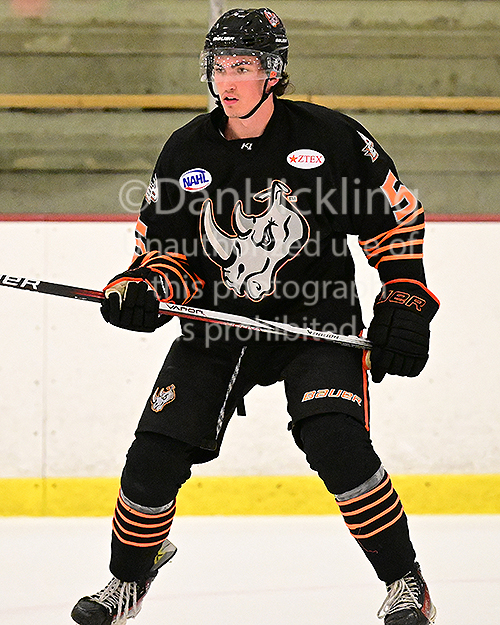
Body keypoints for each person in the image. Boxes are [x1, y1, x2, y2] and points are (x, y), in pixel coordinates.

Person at [71, 8, 439, 625]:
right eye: (218, 66)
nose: (227, 80)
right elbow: (166, 254)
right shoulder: (186, 149)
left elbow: (394, 221)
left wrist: (405, 297)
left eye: (241, 66)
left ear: (273, 71)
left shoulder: (332, 137)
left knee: (336, 440)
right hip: (216, 325)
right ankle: (129, 577)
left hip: (317, 324)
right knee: (154, 455)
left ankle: (406, 581)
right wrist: (141, 289)